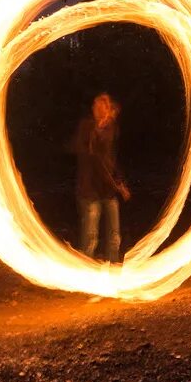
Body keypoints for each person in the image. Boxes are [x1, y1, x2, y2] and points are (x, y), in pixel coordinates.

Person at [71, 92, 130, 262]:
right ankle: (86, 270)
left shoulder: (111, 129)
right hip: (90, 189)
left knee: (114, 236)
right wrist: (117, 185)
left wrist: (120, 182)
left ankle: (112, 271)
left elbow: (111, 160)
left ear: (107, 109)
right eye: (95, 106)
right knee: (91, 237)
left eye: (101, 106)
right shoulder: (87, 127)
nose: (96, 109)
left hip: (108, 190)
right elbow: (95, 159)